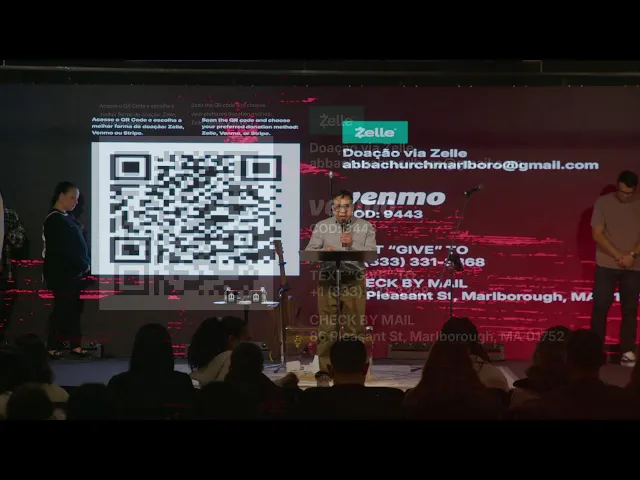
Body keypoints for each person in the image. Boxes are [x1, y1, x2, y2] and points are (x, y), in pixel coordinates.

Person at [305, 190, 377, 386]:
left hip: (354, 279)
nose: (342, 210)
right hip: (328, 279)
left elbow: (371, 255)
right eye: (338, 207)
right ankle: (324, 374)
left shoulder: (365, 226)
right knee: (328, 328)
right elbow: (310, 253)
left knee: (355, 327)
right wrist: (323, 251)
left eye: (346, 206)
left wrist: (352, 245)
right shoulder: (322, 226)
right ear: (332, 208)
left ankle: (355, 372)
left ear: (353, 208)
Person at [590, 170, 640, 367]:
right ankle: (595, 350)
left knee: (630, 309)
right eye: (621, 192)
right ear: (617, 185)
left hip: (634, 265)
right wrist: (618, 256)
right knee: (600, 305)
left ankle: (627, 350)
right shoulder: (603, 202)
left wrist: (632, 256)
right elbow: (597, 233)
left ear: (635, 190)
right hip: (606, 263)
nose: (624, 196)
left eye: (629, 193)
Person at [42, 181, 91, 359]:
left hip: (74, 274)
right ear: (61, 196)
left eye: (77, 199)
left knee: (73, 310)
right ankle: (52, 346)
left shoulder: (67, 219)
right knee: (62, 310)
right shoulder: (54, 220)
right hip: (63, 275)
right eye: (72, 198)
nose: (75, 202)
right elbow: (62, 249)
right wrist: (82, 263)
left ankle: (75, 346)